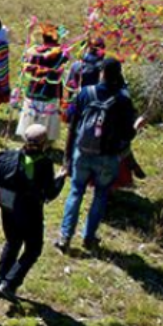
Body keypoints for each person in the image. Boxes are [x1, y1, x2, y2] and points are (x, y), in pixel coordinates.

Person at [57, 58, 137, 253]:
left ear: (101, 73)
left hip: (82, 151)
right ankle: (89, 237)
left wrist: (67, 158)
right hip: (108, 157)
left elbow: (71, 124)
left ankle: (65, 236)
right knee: (100, 195)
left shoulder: (86, 93)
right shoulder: (124, 100)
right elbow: (128, 134)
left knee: (76, 191)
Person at [0, 124, 65, 300]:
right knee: (34, 248)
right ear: (44, 144)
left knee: (12, 242)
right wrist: (61, 178)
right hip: (30, 212)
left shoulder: (5, 157)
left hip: (8, 207)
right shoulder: (44, 164)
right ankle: (9, 283)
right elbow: (49, 194)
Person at [15, 23, 68, 141]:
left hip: (34, 88)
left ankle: (29, 137)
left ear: (43, 37)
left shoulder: (34, 51)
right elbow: (65, 61)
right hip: (51, 90)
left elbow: (25, 63)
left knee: (32, 111)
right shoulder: (60, 53)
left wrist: (29, 33)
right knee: (47, 114)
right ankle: (45, 140)